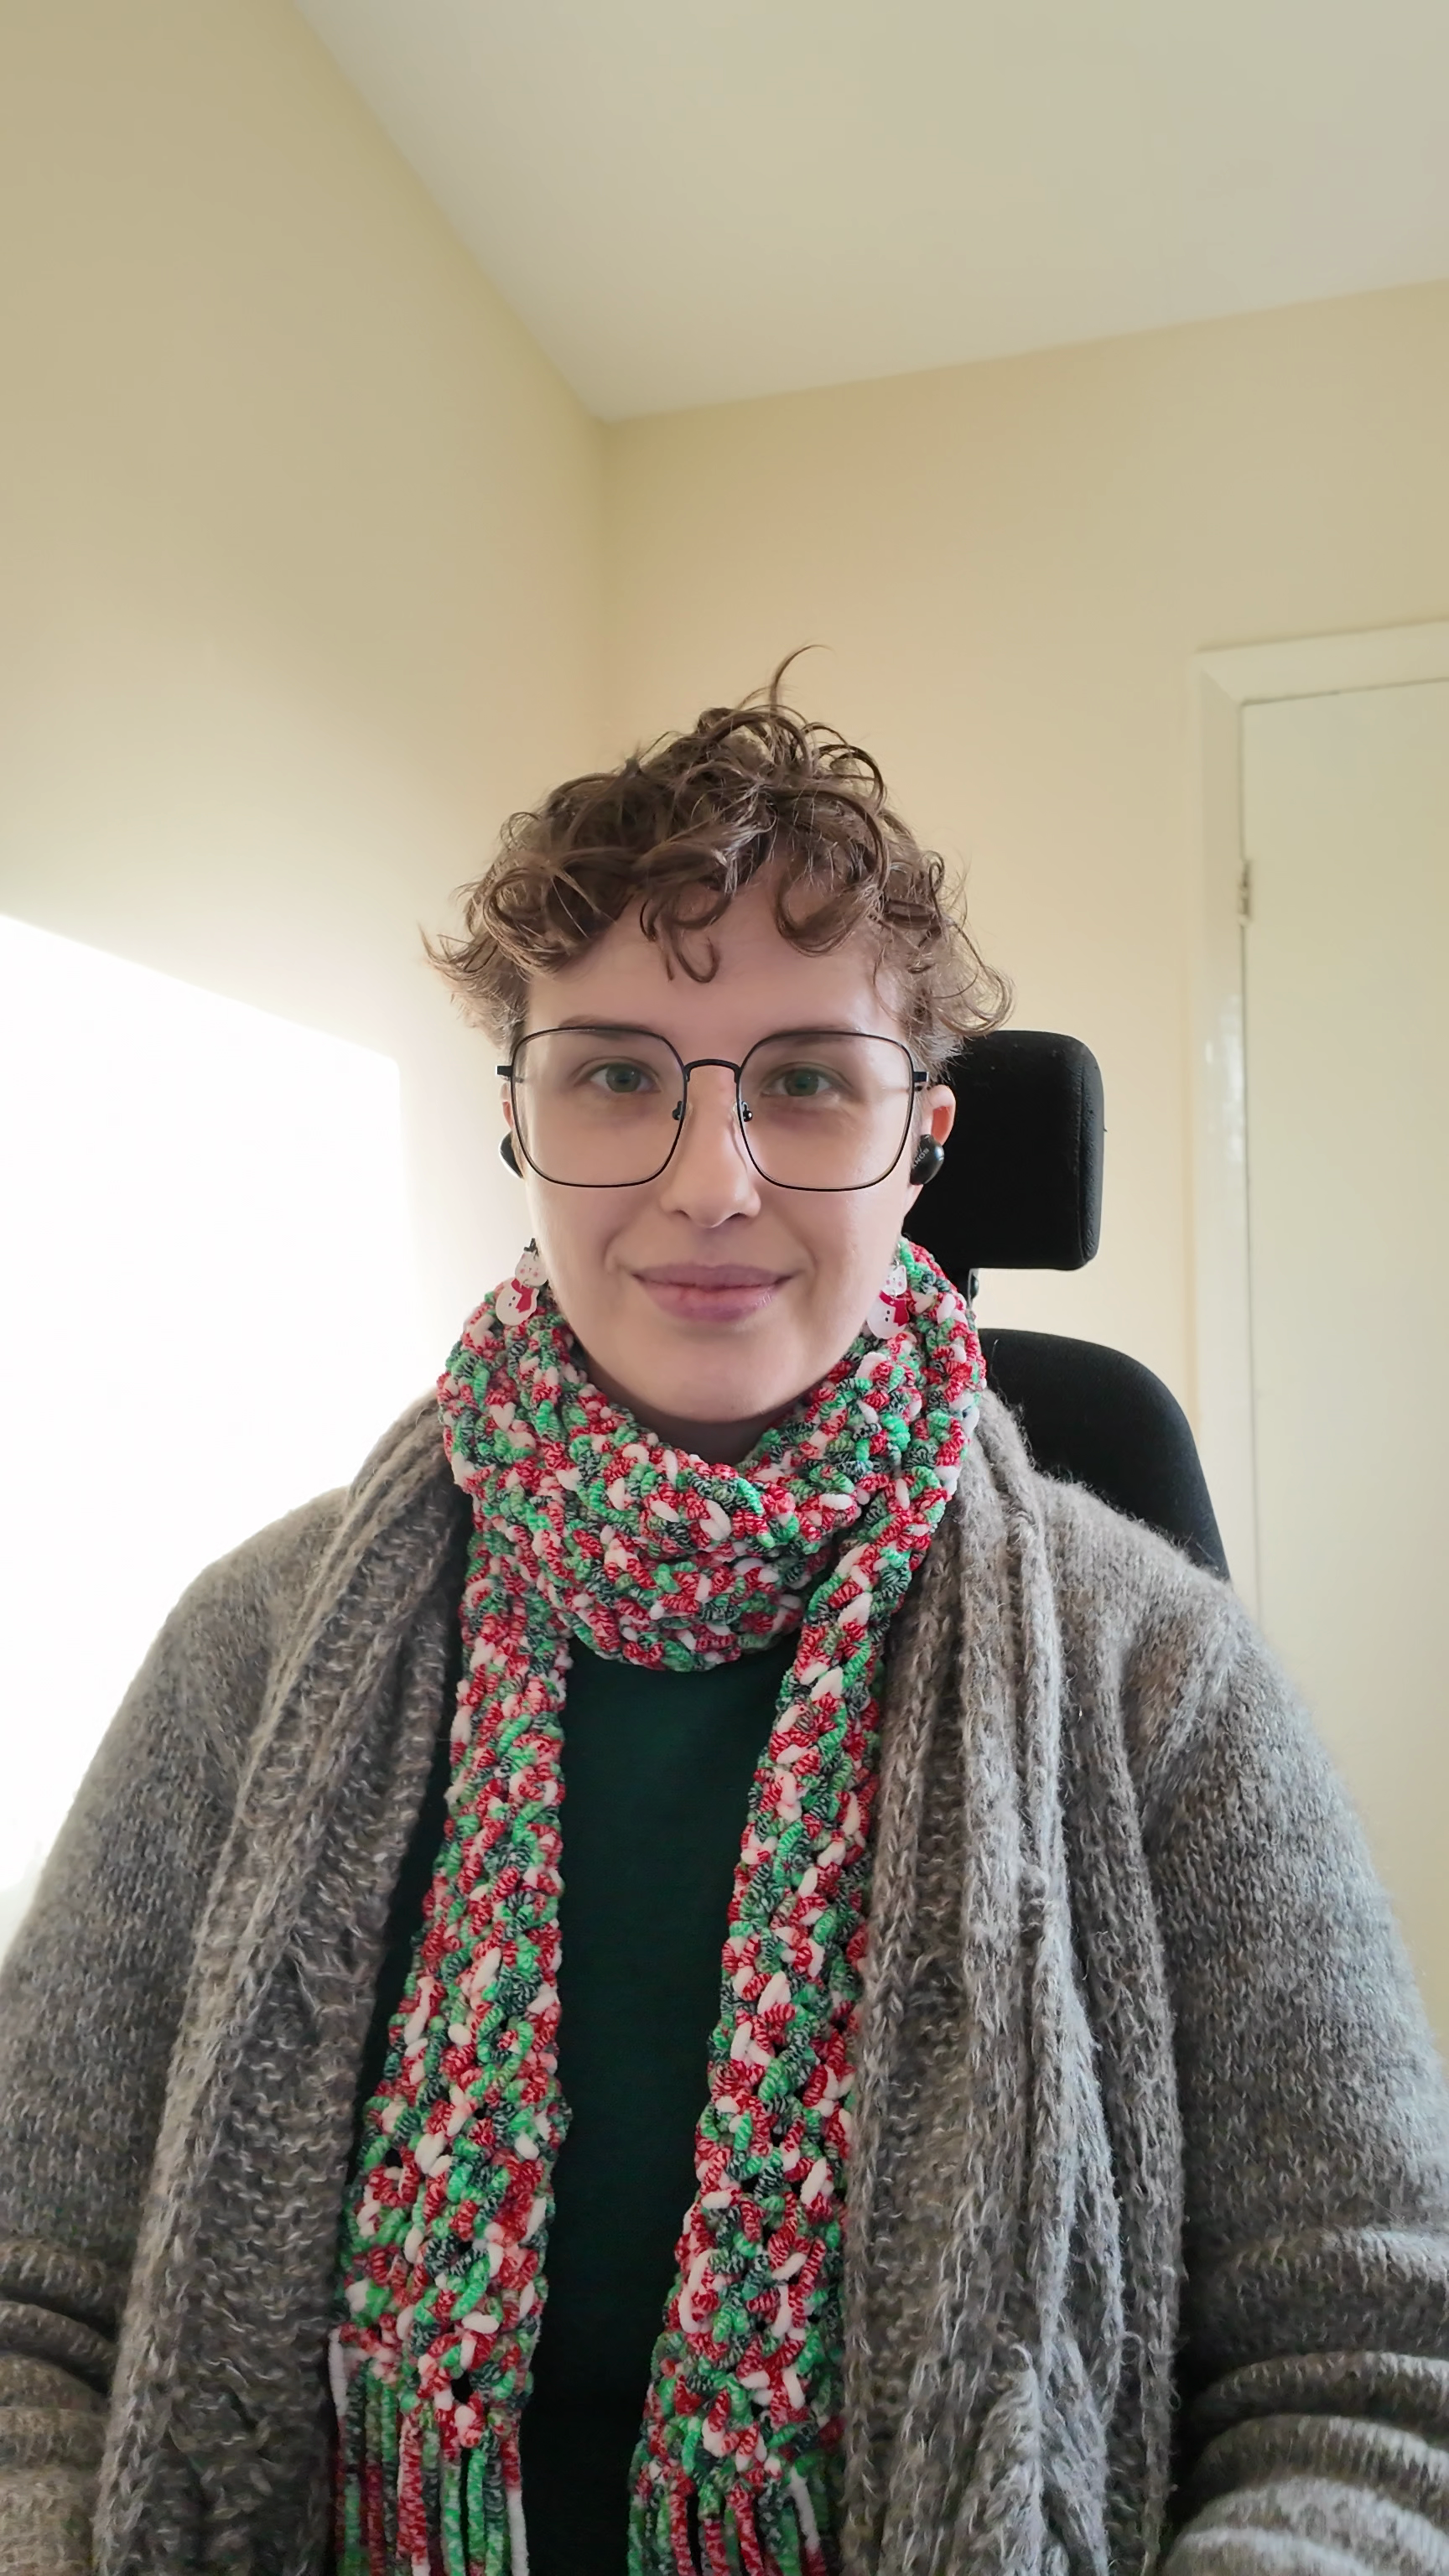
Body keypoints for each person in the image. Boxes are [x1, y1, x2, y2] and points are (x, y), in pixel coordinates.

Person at [1, 683, 1446, 2576]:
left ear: (920, 1140)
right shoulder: (250, 1657)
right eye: (614, 1073)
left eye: (804, 1080)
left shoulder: (1157, 1679)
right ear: (518, 1121)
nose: (709, 1182)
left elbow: (1374, 2386)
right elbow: (33, 2322)